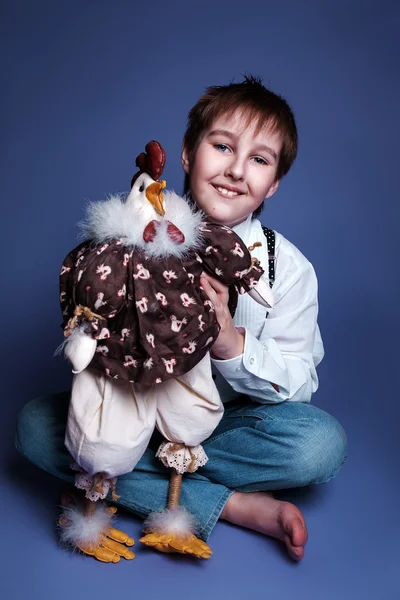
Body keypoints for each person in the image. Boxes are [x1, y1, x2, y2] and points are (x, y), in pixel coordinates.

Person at [15, 75, 347, 562]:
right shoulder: (138, 231)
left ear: (274, 183)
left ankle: (118, 483)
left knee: (320, 446)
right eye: (222, 146)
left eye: (259, 159)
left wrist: (233, 343)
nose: (236, 170)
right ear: (189, 153)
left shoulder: (288, 269)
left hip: (227, 422)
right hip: (132, 405)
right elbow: (94, 292)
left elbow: (300, 383)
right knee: (32, 428)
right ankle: (230, 505)